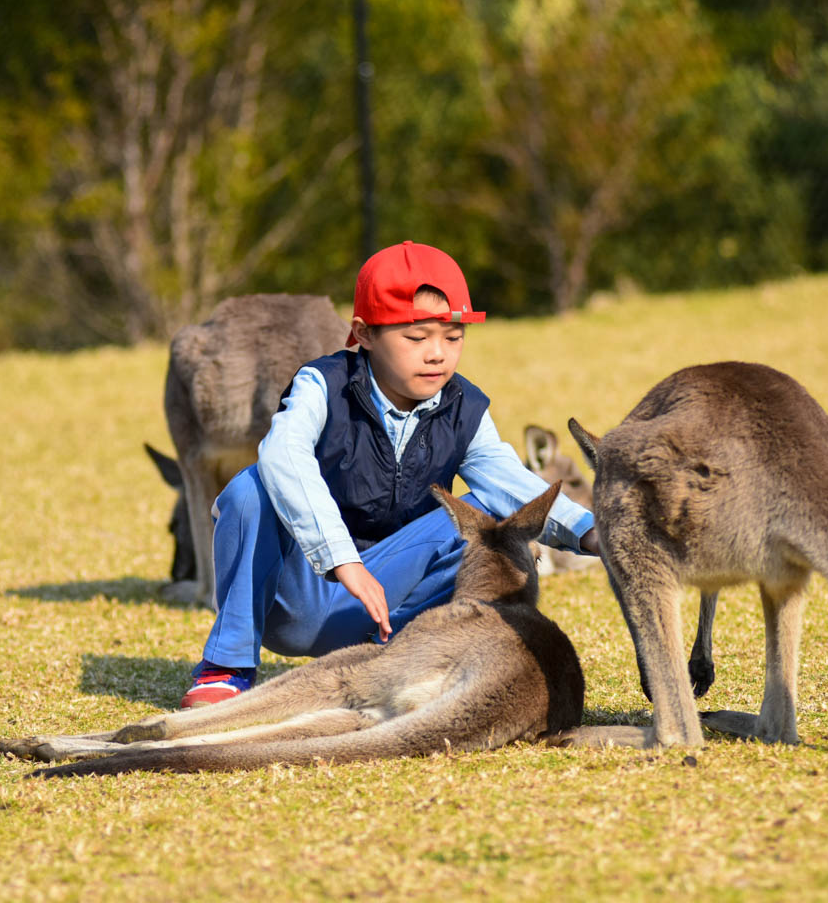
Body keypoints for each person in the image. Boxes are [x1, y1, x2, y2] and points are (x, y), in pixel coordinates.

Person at [181, 241, 599, 707]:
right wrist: (343, 560)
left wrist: (591, 532)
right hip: (299, 597)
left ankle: (434, 658)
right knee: (250, 488)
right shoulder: (322, 384)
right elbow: (283, 454)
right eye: (417, 338)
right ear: (364, 333)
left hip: (392, 611)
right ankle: (227, 667)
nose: (437, 354)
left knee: (487, 514)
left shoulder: (466, 407)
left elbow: (509, 482)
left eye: (453, 336)